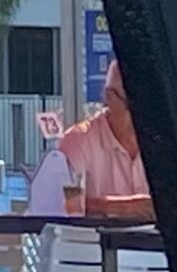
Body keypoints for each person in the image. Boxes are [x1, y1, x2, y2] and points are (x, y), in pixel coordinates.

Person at [25, 60, 153, 220]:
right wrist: (126, 208)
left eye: (150, 106)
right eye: (131, 105)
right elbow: (65, 204)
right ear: (108, 97)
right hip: (95, 243)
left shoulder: (164, 142)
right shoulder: (79, 141)